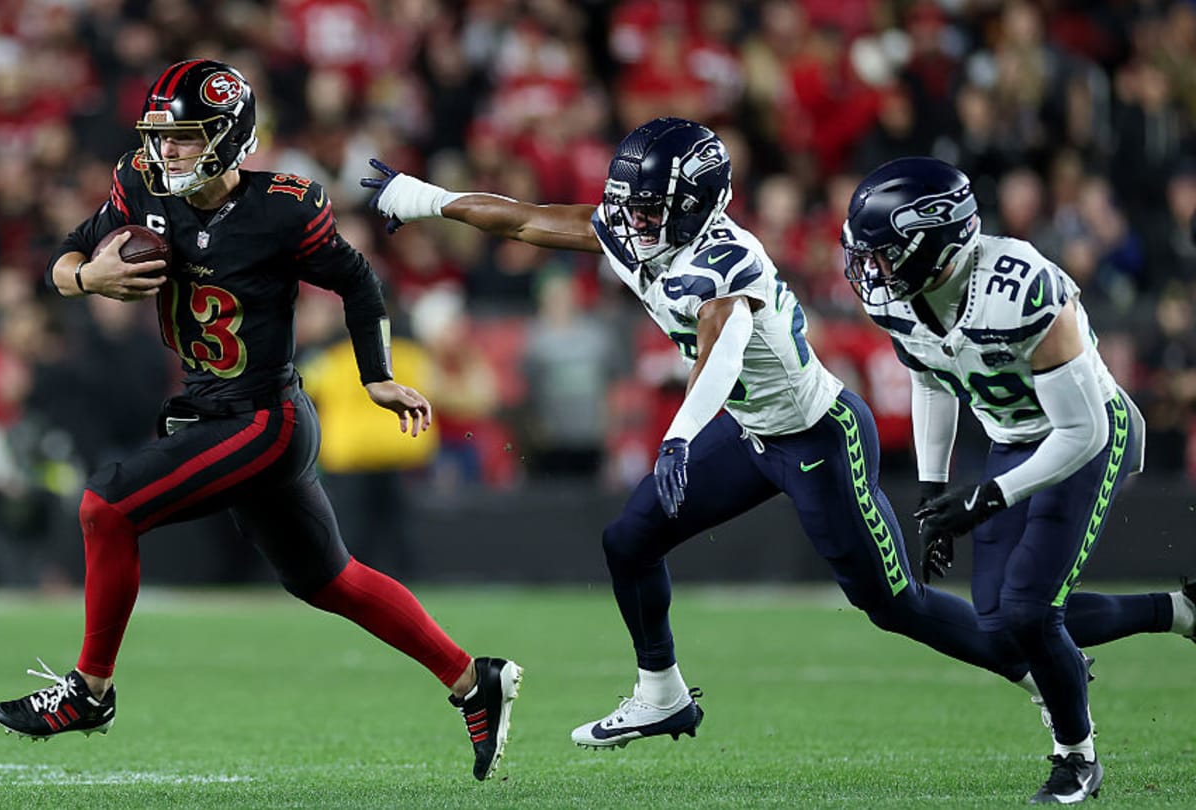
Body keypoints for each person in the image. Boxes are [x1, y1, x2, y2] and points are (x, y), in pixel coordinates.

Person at [361, 119, 1196, 762]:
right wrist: (419, 197)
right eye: (628, 204)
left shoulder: (730, 259)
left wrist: (679, 435)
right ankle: (662, 693)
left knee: (893, 605)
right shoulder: (635, 230)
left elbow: (722, 348)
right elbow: (524, 221)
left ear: (693, 205)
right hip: (748, 432)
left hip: (817, 436)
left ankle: (1031, 666)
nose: (630, 221)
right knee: (628, 541)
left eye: (648, 207)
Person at [0, 59, 521, 782]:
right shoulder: (141, 184)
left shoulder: (282, 208)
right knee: (328, 580)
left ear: (230, 137)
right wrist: (87, 277)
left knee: (105, 506)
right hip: (213, 408)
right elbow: (65, 256)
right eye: (159, 136)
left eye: (185, 136)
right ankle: (472, 680)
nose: (166, 150)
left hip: (264, 418)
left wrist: (377, 376)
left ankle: (89, 692)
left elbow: (359, 281)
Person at [840, 156, 1185, 804]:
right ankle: (1179, 610)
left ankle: (1076, 758)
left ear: (934, 244)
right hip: (1013, 437)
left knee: (1030, 609)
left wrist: (988, 495)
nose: (873, 270)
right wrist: (933, 490)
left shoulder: (1021, 288)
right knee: (1001, 626)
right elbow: (928, 379)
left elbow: (1083, 431)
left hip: (1087, 433)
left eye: (884, 253)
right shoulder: (906, 302)